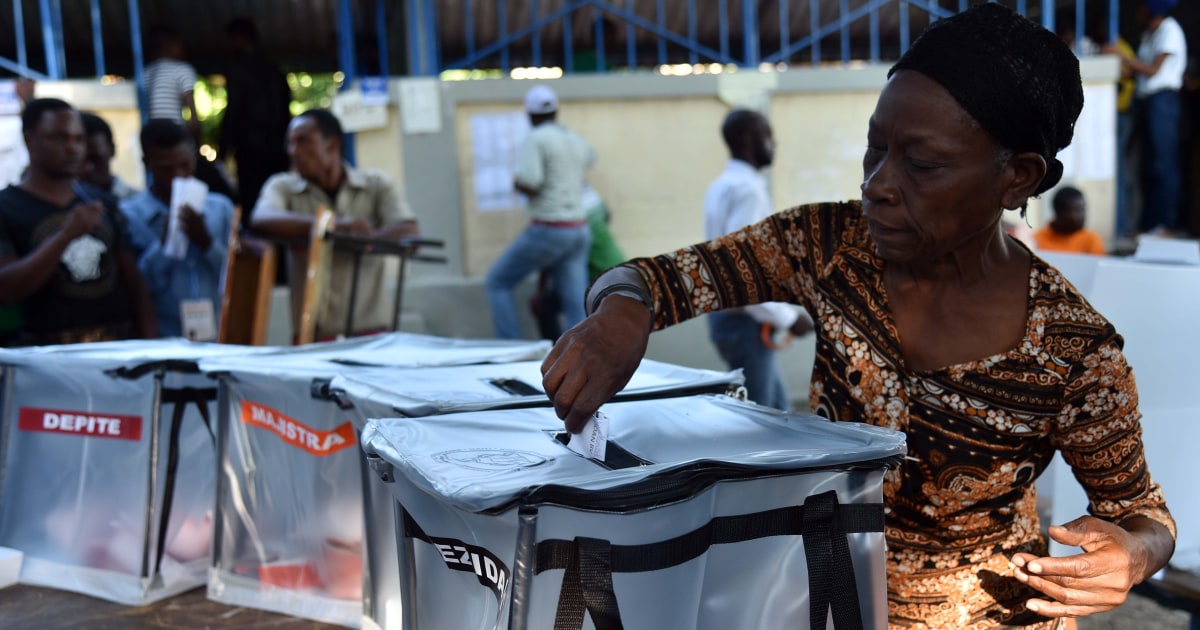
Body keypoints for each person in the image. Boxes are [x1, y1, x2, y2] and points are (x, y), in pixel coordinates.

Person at [541, 5, 1175, 628]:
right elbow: (658, 279)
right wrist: (622, 312)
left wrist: (1134, 554)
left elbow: (1141, 512)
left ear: (1017, 179)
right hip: (819, 599)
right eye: (876, 148)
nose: (878, 183)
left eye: (922, 164)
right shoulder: (830, 246)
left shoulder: (1074, 350)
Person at [251, 108, 419, 341]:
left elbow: (409, 232)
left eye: (303, 142)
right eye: (290, 144)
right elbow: (261, 219)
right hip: (313, 337)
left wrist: (364, 241)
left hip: (372, 335)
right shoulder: (283, 187)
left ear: (332, 145)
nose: (294, 152)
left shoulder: (376, 185)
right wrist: (335, 228)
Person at [0, 98, 157, 344]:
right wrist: (65, 236)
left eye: (79, 139)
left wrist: (151, 349)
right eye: (60, 138)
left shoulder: (102, 202)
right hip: (44, 357)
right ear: (30, 140)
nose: (73, 148)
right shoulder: (7, 206)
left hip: (116, 351)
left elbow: (134, 284)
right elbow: (6, 289)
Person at [704, 109, 813, 410]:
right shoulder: (747, 190)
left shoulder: (723, 185)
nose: (773, 144)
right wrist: (788, 318)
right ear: (749, 139)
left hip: (736, 319)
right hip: (744, 322)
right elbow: (742, 272)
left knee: (779, 411)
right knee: (760, 423)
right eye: (768, 136)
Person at [486, 84, 594, 339]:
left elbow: (531, 183)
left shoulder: (536, 138)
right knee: (575, 307)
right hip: (579, 228)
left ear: (531, 115)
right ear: (556, 111)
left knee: (497, 282)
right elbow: (590, 158)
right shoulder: (574, 139)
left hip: (550, 228)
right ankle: (583, 358)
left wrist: (515, 181)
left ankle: (511, 349)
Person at [120, 120, 234, 340]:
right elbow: (137, 288)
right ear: (147, 164)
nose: (178, 176)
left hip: (217, 339)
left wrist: (207, 243)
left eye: (185, 165)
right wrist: (164, 245)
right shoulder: (129, 216)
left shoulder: (220, 208)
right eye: (166, 169)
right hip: (164, 340)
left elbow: (235, 278)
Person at [1121, 0, 1187, 235]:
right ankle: (1150, 224)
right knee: (1149, 165)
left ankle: (1166, 223)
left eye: (1142, 6)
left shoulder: (1170, 30)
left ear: (1152, 9)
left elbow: (1153, 70)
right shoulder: (1151, 33)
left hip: (1163, 101)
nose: (1138, 10)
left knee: (1164, 165)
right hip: (1148, 102)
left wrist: (1124, 57)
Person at [530, 182, 626, 340]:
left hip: (605, 276)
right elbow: (607, 214)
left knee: (550, 305)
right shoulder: (585, 190)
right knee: (552, 304)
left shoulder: (560, 205)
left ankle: (562, 353)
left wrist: (540, 290)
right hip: (612, 270)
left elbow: (549, 251)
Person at [218, 17, 291, 219]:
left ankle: (258, 249)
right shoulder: (276, 70)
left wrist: (223, 149)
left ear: (239, 38)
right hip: (277, 151)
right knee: (278, 202)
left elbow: (234, 109)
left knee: (253, 205)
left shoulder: (238, 69)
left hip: (251, 152)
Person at [79, 112, 139, 202]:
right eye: (79, 161)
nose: (88, 168)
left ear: (112, 150)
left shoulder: (136, 201)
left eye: (96, 159)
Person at [1033, 187, 1107, 255]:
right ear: (1059, 212)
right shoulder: (1036, 241)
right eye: (1077, 210)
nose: (1082, 215)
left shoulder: (1091, 240)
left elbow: (1099, 268)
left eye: (1083, 209)